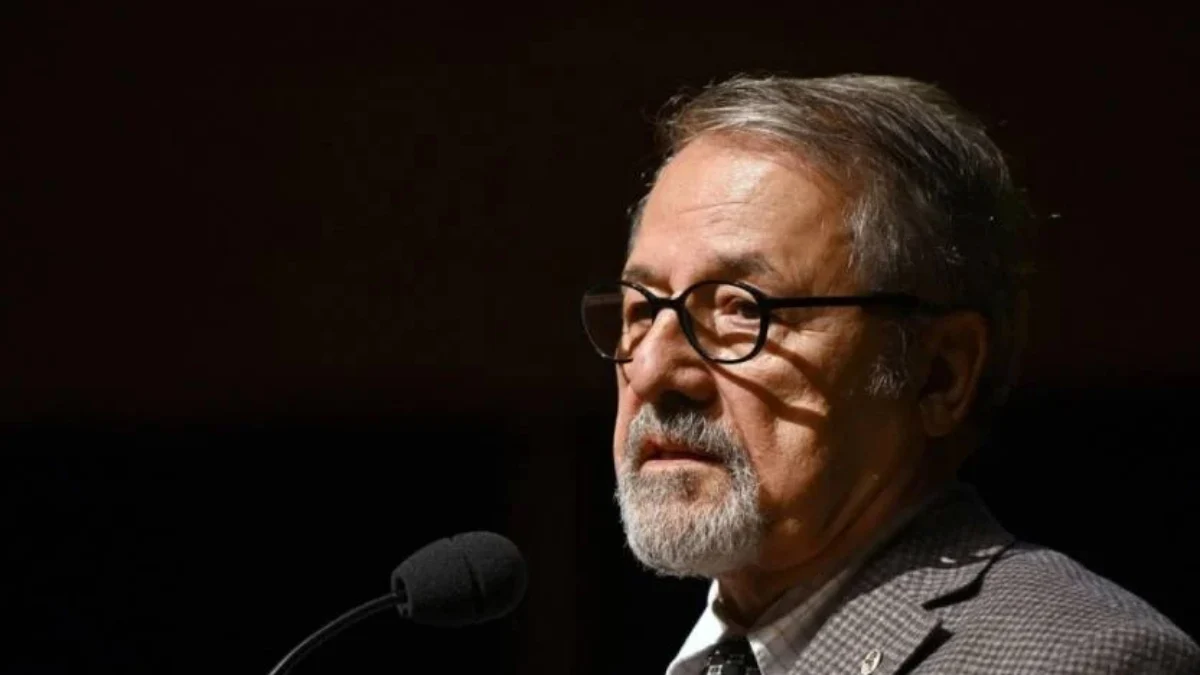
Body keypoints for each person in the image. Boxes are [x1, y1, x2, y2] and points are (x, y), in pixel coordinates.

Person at [580, 74, 1200, 674]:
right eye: (642, 310)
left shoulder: (1084, 660)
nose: (653, 369)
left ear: (939, 374)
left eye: (744, 310)